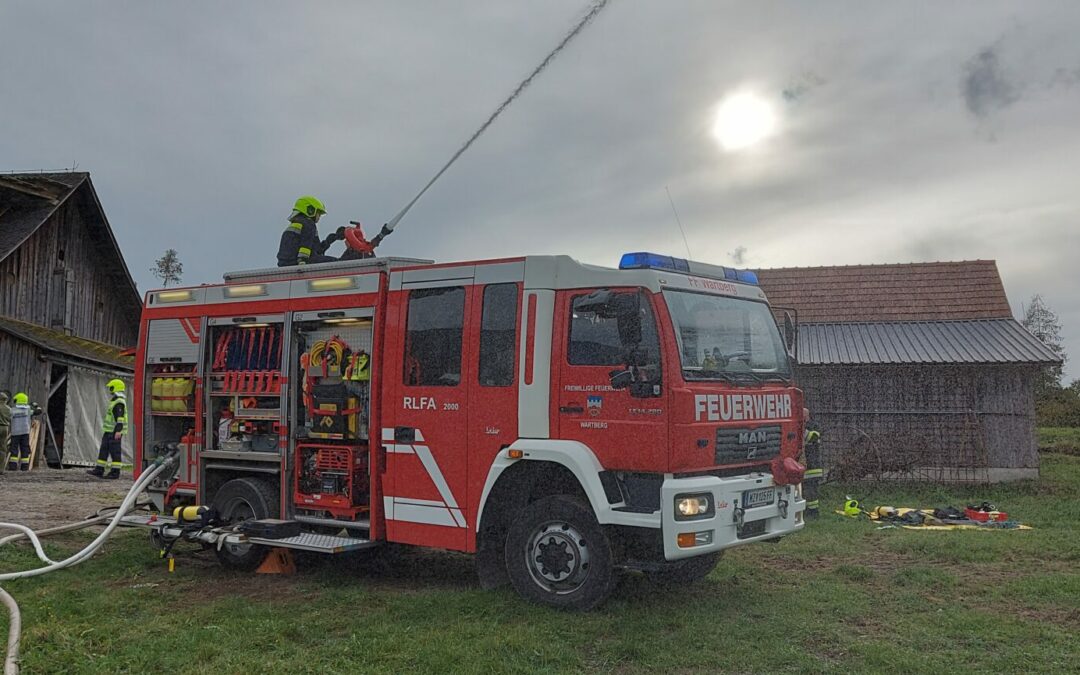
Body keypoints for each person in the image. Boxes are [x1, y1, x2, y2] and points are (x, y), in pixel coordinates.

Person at [276, 196, 347, 267]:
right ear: (310, 210)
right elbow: (305, 245)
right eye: (318, 213)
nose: (319, 217)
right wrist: (302, 261)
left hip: (285, 263)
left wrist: (333, 238)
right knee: (338, 264)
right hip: (299, 261)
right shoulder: (309, 224)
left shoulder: (296, 224)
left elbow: (316, 250)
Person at [87, 379, 127, 479]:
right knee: (103, 450)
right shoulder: (115, 400)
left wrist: (118, 430)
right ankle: (99, 470)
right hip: (109, 431)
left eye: (111, 387)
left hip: (115, 431)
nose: (110, 389)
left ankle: (115, 473)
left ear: (115, 387)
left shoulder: (119, 402)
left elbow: (120, 418)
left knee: (115, 452)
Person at [8, 393, 41, 472]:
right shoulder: (28, 409)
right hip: (25, 432)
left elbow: (8, 417)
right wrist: (35, 405)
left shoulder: (12, 410)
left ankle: (13, 467)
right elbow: (39, 411)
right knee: (25, 449)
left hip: (15, 432)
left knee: (14, 449)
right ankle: (24, 467)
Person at [0, 392, 11, 474]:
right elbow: (10, 419)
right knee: (3, 449)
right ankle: (1, 469)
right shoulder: (8, 408)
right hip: (5, 428)